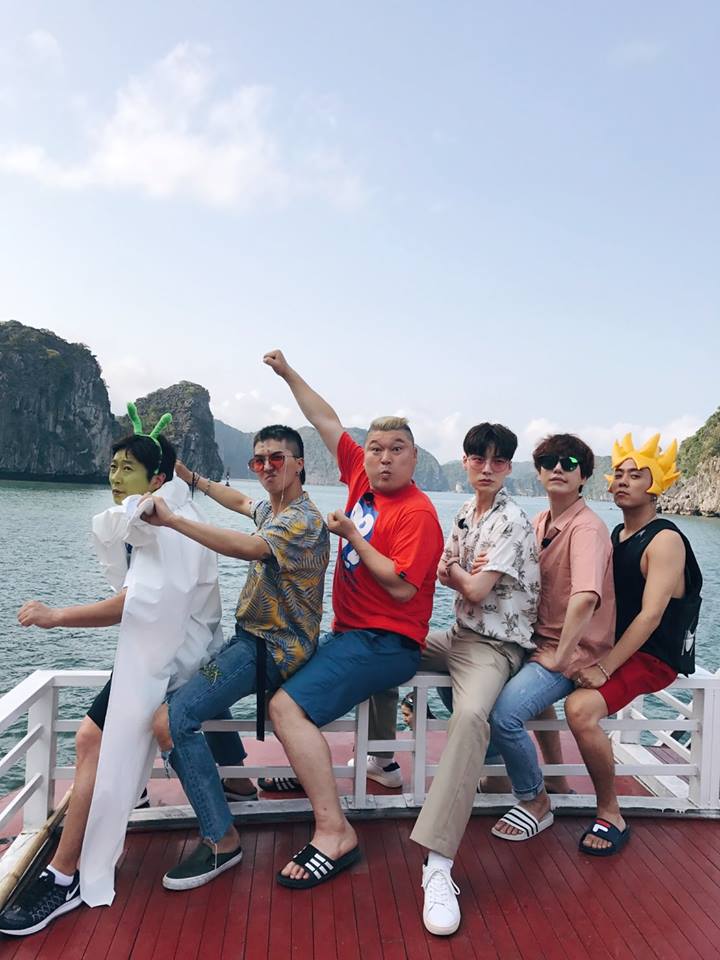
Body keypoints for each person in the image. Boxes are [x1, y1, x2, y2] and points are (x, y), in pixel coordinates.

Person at [0, 409, 230, 935]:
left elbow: (137, 605)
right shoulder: (162, 514)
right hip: (160, 655)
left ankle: (66, 875)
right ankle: (110, 817)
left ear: (158, 478)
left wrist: (57, 616)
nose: (115, 476)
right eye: (112, 466)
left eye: (128, 468)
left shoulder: (170, 527)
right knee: (91, 741)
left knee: (96, 744)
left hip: (167, 666)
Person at [262, 349, 444, 890]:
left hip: (386, 641)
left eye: (397, 450)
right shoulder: (362, 478)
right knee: (285, 671)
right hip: (353, 634)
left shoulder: (418, 514)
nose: (384, 459)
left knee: (284, 708)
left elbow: (402, 585)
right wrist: (288, 372)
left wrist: (353, 537)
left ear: (414, 458)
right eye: (376, 449)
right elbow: (324, 419)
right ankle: (311, 771)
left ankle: (333, 831)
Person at [147, 424, 330, 891]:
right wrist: (191, 478)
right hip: (251, 641)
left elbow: (247, 546)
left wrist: (173, 521)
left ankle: (220, 839)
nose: (267, 467)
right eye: (258, 460)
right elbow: (243, 503)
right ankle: (238, 784)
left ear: (299, 464)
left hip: (269, 650)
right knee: (196, 685)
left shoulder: (302, 521)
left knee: (173, 719)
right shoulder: (276, 508)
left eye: (276, 459)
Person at [408, 423, 540, 936]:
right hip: (457, 635)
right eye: (478, 459)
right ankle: (378, 760)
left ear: (508, 467)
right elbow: (447, 568)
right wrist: (462, 575)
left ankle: (438, 864)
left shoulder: (512, 520)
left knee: (469, 717)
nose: (487, 468)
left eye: (498, 460)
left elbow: (475, 589)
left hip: (494, 646)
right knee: (382, 649)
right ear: (464, 461)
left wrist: (461, 576)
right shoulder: (465, 512)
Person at [566, 434, 702, 855]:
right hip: (617, 646)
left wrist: (603, 667)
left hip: (654, 656)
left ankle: (611, 813)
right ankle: (552, 782)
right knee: (535, 673)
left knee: (580, 709)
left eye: (636, 475)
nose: (623, 481)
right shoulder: (617, 534)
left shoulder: (664, 541)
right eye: (619, 474)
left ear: (655, 486)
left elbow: (650, 615)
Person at [489, 434, 615, 844]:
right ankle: (524, 775)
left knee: (505, 715)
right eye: (548, 461)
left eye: (569, 462)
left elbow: (585, 597)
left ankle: (535, 800)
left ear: (584, 475)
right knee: (465, 678)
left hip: (571, 651)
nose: (558, 468)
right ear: (539, 472)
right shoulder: (541, 521)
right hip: (535, 643)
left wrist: (561, 657)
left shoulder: (587, 529)